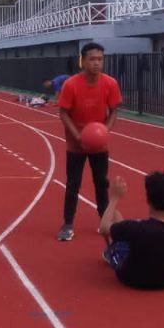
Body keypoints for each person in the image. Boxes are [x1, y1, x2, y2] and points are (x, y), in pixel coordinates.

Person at [57, 42, 122, 241]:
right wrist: (78, 136)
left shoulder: (110, 83)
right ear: (83, 61)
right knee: (73, 184)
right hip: (76, 144)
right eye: (92, 59)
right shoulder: (71, 84)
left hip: (99, 144)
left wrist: (105, 131)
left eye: (100, 59)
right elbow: (63, 113)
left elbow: (114, 111)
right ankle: (68, 224)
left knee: (101, 183)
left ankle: (105, 221)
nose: (96, 63)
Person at [98, 172, 164, 290]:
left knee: (115, 215)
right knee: (123, 227)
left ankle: (111, 252)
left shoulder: (134, 228)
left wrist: (114, 198)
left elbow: (103, 227)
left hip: (130, 278)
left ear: (148, 200)